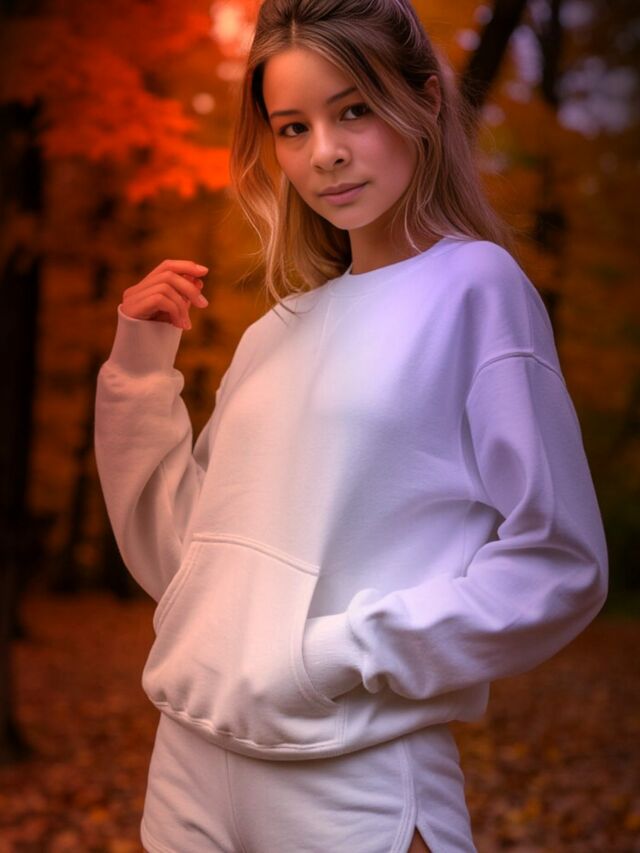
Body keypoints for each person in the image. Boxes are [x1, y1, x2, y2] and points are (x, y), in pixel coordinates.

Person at [93, 1, 609, 851]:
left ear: (424, 101)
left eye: (354, 110)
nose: (324, 152)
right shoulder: (275, 331)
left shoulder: (477, 288)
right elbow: (183, 562)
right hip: (184, 768)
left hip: (351, 775)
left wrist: (341, 650)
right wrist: (141, 373)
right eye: (292, 127)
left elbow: (561, 560)